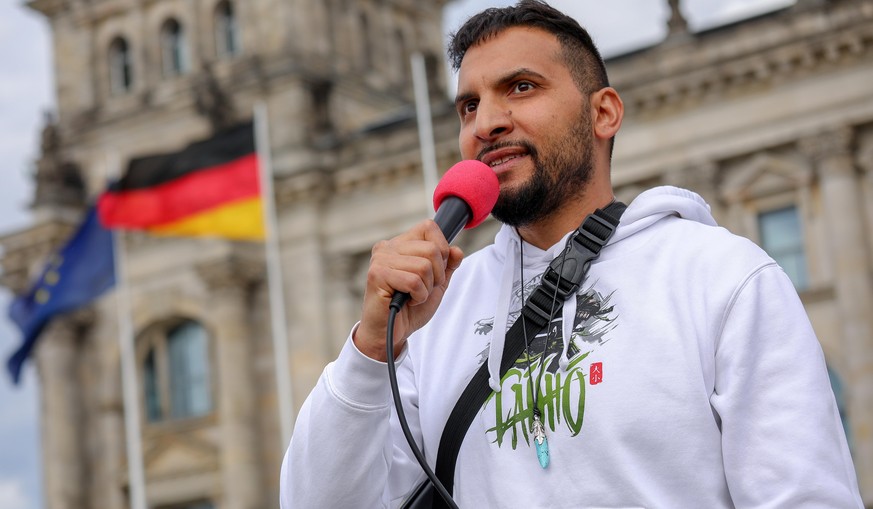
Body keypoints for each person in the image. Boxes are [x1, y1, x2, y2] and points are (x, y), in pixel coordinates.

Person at [280, 1, 863, 507]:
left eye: (521, 88)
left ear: (602, 112)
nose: (487, 122)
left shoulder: (721, 277)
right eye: (468, 106)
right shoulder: (436, 312)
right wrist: (368, 353)